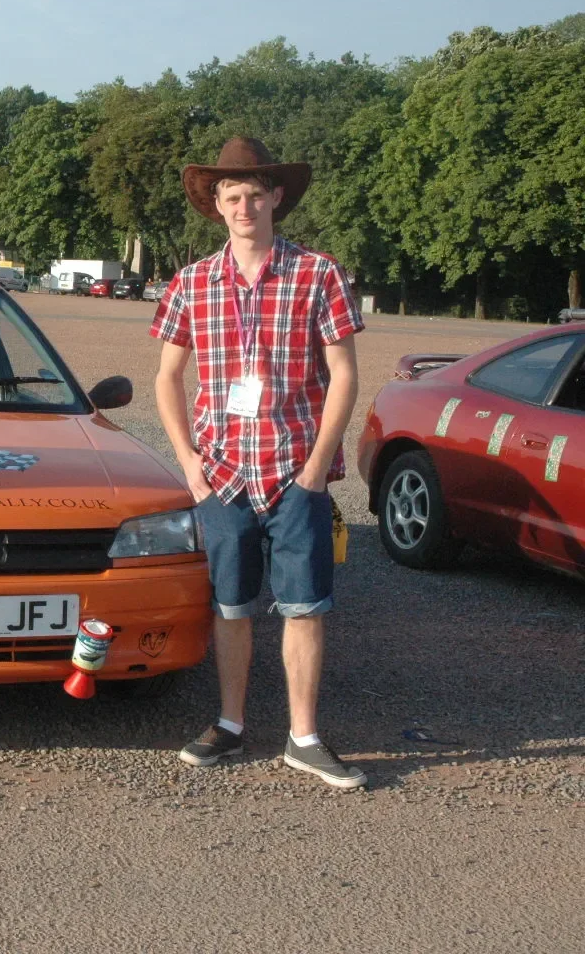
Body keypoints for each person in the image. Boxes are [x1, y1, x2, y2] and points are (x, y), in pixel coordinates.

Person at [150, 137, 366, 789]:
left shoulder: (318, 274)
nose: (244, 205)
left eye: (254, 194)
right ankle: (232, 724)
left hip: (295, 473)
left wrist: (316, 466)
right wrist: (189, 462)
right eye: (231, 195)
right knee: (233, 607)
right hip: (222, 477)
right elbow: (167, 377)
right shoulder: (191, 283)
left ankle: (304, 737)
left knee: (305, 607)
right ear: (216, 206)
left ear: (276, 197)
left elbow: (345, 373)